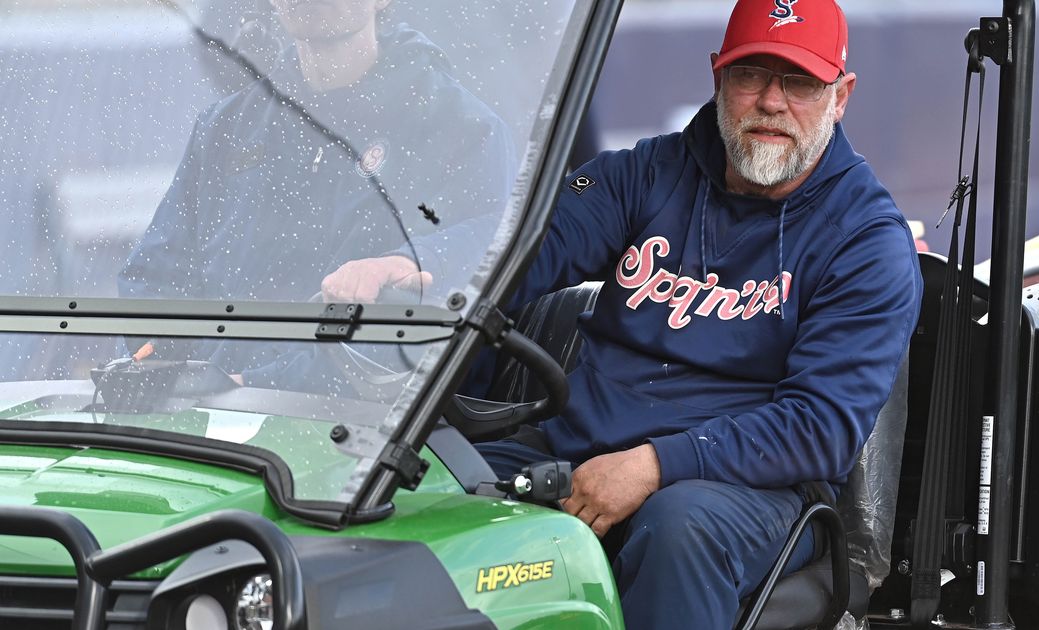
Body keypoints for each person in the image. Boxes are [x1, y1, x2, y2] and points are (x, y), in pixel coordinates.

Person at [322, 1, 921, 627]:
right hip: (577, 451)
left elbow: (819, 427)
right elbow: (529, 242)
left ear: (841, 95)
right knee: (405, 481)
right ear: (719, 78)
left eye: (798, 81)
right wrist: (422, 266)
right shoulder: (650, 172)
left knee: (680, 527)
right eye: (752, 75)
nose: (771, 101)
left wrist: (656, 465)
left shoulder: (866, 239)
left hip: (749, 492)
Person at [118, 0, 510, 392]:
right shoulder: (227, 130)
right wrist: (163, 373)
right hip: (212, 427)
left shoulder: (459, 127)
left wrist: (251, 385)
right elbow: (154, 280)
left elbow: (487, 260)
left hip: (372, 433)